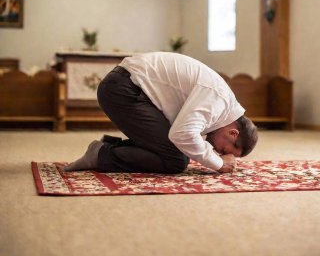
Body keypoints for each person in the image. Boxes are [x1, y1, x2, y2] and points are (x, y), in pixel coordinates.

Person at [64, 52, 258, 174]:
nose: (218, 151)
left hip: (129, 88)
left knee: (178, 152)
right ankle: (102, 155)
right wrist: (217, 163)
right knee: (176, 161)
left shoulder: (222, 104)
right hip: (124, 90)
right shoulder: (218, 101)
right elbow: (182, 134)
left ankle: (110, 148)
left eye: (220, 153)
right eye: (224, 150)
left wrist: (212, 157)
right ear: (233, 133)